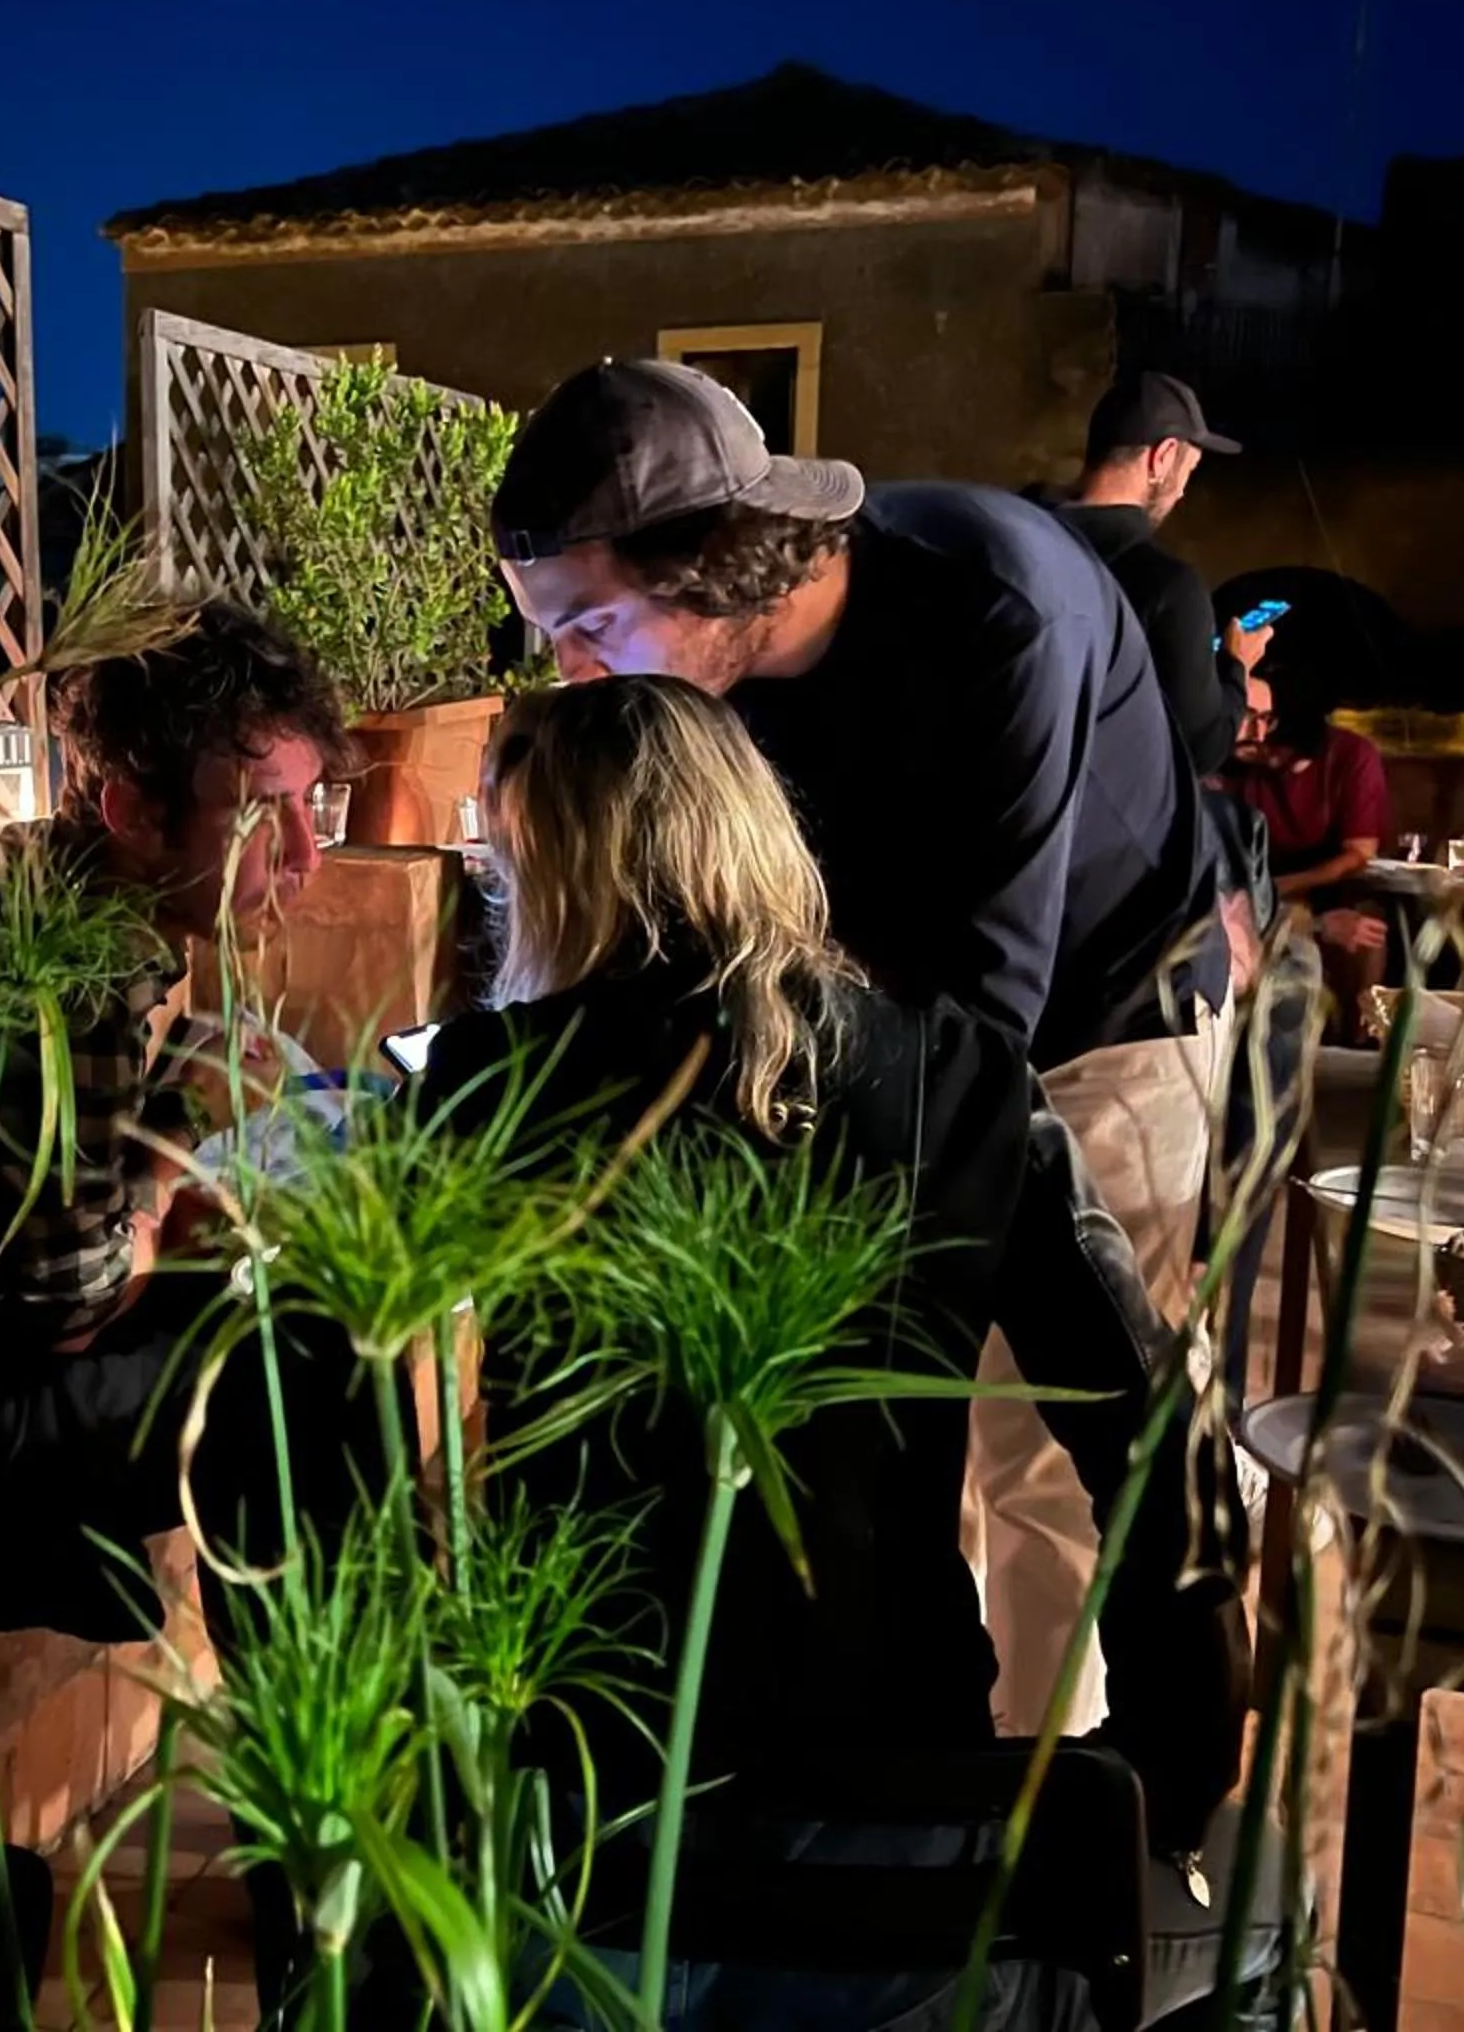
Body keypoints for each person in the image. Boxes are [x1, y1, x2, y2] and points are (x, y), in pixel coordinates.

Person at [415, 678, 1261, 2024]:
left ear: (557, 866)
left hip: (584, 1811)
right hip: (897, 1808)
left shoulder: (482, 1081)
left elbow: (358, 1417)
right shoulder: (961, 1078)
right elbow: (1160, 1427)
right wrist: (1166, 1755)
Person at [489, 357, 1245, 1755]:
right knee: (900, 1438)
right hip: (877, 1041)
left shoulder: (995, 613)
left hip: (1093, 1038)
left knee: (1035, 1459)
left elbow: (983, 1030)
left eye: (593, 620)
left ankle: (1019, 1831)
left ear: (713, 565)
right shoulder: (716, 676)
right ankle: (902, 1756)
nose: (575, 668)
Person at [0, 602, 372, 1659]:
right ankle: (322, 1736)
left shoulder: (32, 874)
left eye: (314, 806)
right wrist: (178, 1154)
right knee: (295, 1354)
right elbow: (74, 1307)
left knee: (270, 1312)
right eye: (262, 814)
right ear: (133, 809)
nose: (305, 856)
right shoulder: (73, 970)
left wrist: (169, 1146)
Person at [1057, 371, 1270, 779]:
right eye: (1189, 471)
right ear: (1162, 457)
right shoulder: (1168, 587)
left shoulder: (1014, 532)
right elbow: (1198, 748)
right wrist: (1236, 668)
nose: (1183, 493)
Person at [1222, 668, 1391, 1023]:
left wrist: (1283, 890)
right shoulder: (1234, 761)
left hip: (1328, 882)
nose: (1269, 758)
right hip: (1251, 883)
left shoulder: (1352, 755)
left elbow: (1359, 854)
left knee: (1367, 927)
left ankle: (1358, 1040)